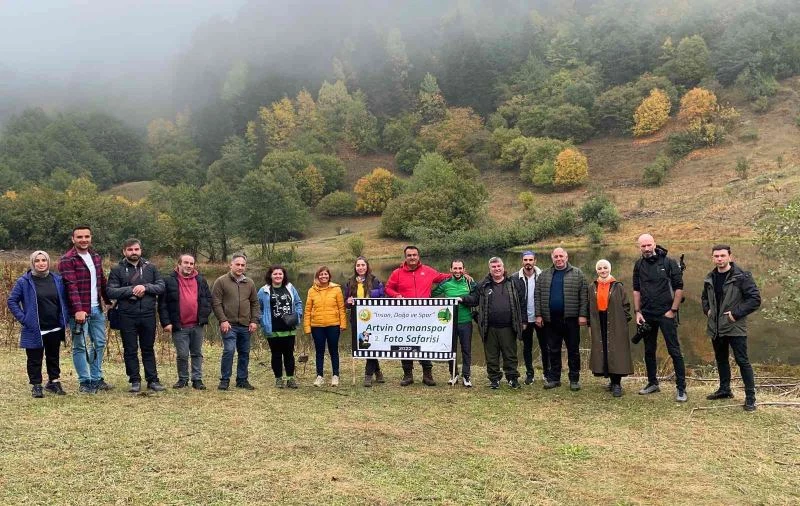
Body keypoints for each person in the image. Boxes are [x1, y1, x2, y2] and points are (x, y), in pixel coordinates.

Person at [701, 244, 761, 411]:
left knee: (743, 361)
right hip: (716, 327)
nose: (719, 259)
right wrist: (707, 310)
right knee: (721, 359)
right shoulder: (710, 277)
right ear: (712, 258)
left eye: (722, 256)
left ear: (730, 257)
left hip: (735, 327)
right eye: (716, 256)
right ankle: (725, 390)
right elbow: (704, 298)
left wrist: (736, 313)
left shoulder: (741, 276)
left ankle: (750, 398)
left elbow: (754, 299)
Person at [385, 245, 452, 386]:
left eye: (414, 255)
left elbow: (442, 277)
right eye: (409, 255)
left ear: (418, 256)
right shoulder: (397, 273)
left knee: (425, 343)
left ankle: (427, 375)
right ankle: (408, 375)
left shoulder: (427, 270)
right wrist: (396, 295)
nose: (412, 257)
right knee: (405, 344)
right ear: (405, 257)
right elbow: (388, 288)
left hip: (425, 316)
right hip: (404, 316)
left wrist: (460, 274)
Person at [633, 233, 688, 402]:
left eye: (649, 245)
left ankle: (681, 389)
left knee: (674, 350)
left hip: (666, 313)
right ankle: (652, 383)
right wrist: (637, 311)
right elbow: (636, 289)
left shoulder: (669, 262)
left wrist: (673, 310)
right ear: (639, 247)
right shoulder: (638, 264)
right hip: (647, 314)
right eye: (643, 246)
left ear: (654, 244)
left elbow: (679, 288)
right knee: (649, 350)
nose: (647, 248)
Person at [8, 251, 70, 398]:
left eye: (44, 260)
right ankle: (36, 385)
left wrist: (64, 317)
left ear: (48, 262)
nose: (41, 263)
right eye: (37, 261)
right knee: (34, 358)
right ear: (32, 263)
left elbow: (64, 300)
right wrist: (24, 319)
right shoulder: (24, 281)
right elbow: (12, 301)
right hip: (35, 327)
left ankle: (53, 382)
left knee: (53, 356)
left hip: (54, 325)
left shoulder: (57, 279)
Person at [107, 238, 166, 393]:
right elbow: (111, 291)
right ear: (124, 251)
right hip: (126, 315)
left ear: (141, 250)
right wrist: (132, 289)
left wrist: (145, 287)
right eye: (130, 250)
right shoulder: (117, 269)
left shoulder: (151, 268)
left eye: (136, 249)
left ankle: (152, 380)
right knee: (130, 349)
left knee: (148, 348)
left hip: (148, 314)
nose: (134, 252)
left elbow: (161, 286)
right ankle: (134, 380)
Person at [58, 225, 112, 394]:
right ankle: (85, 381)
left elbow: (101, 280)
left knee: (99, 343)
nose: (83, 240)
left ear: (91, 238)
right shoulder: (68, 259)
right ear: (73, 239)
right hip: (80, 311)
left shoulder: (95, 257)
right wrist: (78, 310)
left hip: (97, 309)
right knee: (80, 346)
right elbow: (71, 286)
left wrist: (107, 299)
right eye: (79, 237)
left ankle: (96, 378)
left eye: (86, 236)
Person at [461, 257, 526, 389]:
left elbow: (522, 303)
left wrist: (523, 320)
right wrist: (461, 299)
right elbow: (473, 299)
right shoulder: (483, 285)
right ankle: (494, 380)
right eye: (493, 267)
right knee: (491, 356)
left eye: (498, 266)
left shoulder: (514, 283)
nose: (497, 269)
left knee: (510, 355)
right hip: (489, 327)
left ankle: (512, 378)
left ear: (503, 267)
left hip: (509, 326)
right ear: (490, 269)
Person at [535, 247, 589, 391]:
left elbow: (584, 296)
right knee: (553, 349)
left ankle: (574, 379)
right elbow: (538, 296)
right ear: (552, 258)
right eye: (556, 256)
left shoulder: (578, 274)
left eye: (561, 256)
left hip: (571, 319)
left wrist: (583, 315)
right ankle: (554, 378)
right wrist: (539, 315)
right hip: (551, 319)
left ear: (567, 257)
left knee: (573, 350)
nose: (558, 259)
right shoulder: (544, 275)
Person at [158, 254, 213, 390]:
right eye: (186, 263)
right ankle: (183, 379)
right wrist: (166, 323)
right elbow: (162, 304)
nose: (189, 266)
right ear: (179, 264)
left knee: (196, 353)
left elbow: (208, 299)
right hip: (179, 325)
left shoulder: (200, 280)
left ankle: (197, 379)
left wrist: (204, 315)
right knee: (182, 354)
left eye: (191, 263)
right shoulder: (169, 281)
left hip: (197, 324)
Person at [211, 253, 260, 391]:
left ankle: (242, 380)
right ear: (231, 265)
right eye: (237, 264)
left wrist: (254, 320)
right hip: (229, 325)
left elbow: (255, 303)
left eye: (242, 265)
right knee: (229, 350)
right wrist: (223, 320)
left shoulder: (249, 283)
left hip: (245, 324)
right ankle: (225, 380)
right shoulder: (221, 281)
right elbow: (216, 303)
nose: (240, 267)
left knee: (244, 352)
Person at [588, 259, 633, 397]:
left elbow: (626, 305)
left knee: (616, 351)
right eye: (600, 268)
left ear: (610, 268)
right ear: (597, 270)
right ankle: (610, 380)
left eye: (605, 267)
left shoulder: (617, 286)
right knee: (604, 350)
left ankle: (617, 383)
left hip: (615, 321)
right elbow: (588, 305)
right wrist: (590, 323)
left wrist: (623, 321)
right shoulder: (592, 287)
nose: (603, 270)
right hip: (598, 321)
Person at [432, 259, 476, 387]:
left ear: (464, 269)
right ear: (450, 269)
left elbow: (476, 297)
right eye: (455, 268)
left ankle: (466, 376)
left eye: (460, 268)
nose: (458, 271)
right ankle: (453, 374)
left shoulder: (469, 282)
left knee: (466, 349)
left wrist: (463, 299)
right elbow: (431, 295)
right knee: (451, 349)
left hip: (466, 321)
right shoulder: (445, 283)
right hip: (449, 322)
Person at [258, 264, 303, 389]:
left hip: (289, 327)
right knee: (276, 354)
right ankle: (278, 379)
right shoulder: (264, 290)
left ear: (284, 276)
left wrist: (298, 315)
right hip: (273, 328)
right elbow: (257, 308)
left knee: (289, 354)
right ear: (270, 276)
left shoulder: (290, 287)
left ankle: (290, 379)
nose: (278, 276)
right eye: (275, 274)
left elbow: (298, 302)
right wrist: (262, 321)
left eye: (280, 274)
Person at [344, 256, 386, 387]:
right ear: (355, 268)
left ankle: (368, 375)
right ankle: (377, 371)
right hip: (358, 320)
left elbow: (382, 297)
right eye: (358, 265)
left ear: (367, 266)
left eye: (363, 265)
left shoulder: (375, 281)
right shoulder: (350, 282)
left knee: (370, 344)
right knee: (365, 344)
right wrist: (348, 302)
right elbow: (346, 302)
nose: (360, 267)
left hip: (373, 319)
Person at [304, 266, 347, 387]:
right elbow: (307, 310)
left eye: (325, 274)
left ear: (329, 276)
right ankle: (319, 376)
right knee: (319, 351)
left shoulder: (336, 289)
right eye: (321, 274)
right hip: (317, 326)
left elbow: (341, 308)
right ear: (317, 276)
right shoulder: (311, 291)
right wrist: (307, 327)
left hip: (333, 325)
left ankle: (335, 375)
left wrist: (343, 324)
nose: (323, 276)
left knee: (334, 350)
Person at [510, 250, 547, 385]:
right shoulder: (515, 278)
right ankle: (530, 373)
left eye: (530, 260)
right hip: (524, 320)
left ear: (535, 261)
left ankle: (546, 373)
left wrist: (541, 315)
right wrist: (521, 320)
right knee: (527, 347)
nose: (528, 263)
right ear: (522, 262)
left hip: (540, 318)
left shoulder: (543, 276)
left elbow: (545, 298)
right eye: (525, 260)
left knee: (545, 346)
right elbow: (514, 301)